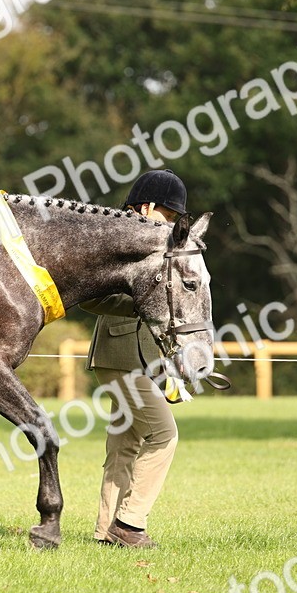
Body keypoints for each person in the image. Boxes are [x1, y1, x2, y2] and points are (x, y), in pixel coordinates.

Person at [79, 169, 187, 548]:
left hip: (143, 359)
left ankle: (107, 531)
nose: (171, 223)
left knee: (124, 446)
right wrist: (142, 305)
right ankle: (130, 524)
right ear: (145, 206)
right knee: (165, 434)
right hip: (120, 353)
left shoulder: (154, 241)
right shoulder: (119, 236)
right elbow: (87, 294)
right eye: (168, 215)